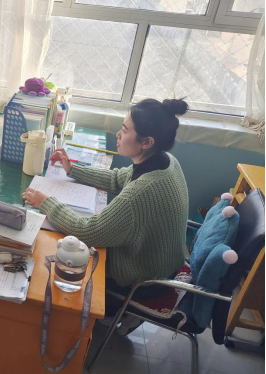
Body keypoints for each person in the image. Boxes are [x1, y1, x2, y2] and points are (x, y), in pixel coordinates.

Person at [23, 98, 190, 332]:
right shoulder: (165, 162)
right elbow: (117, 178)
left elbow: (89, 232)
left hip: (145, 280)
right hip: (161, 263)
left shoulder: (141, 192)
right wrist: (73, 169)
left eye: (125, 130)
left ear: (146, 142)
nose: (118, 135)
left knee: (56, 257)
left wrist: (46, 203)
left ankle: (109, 312)